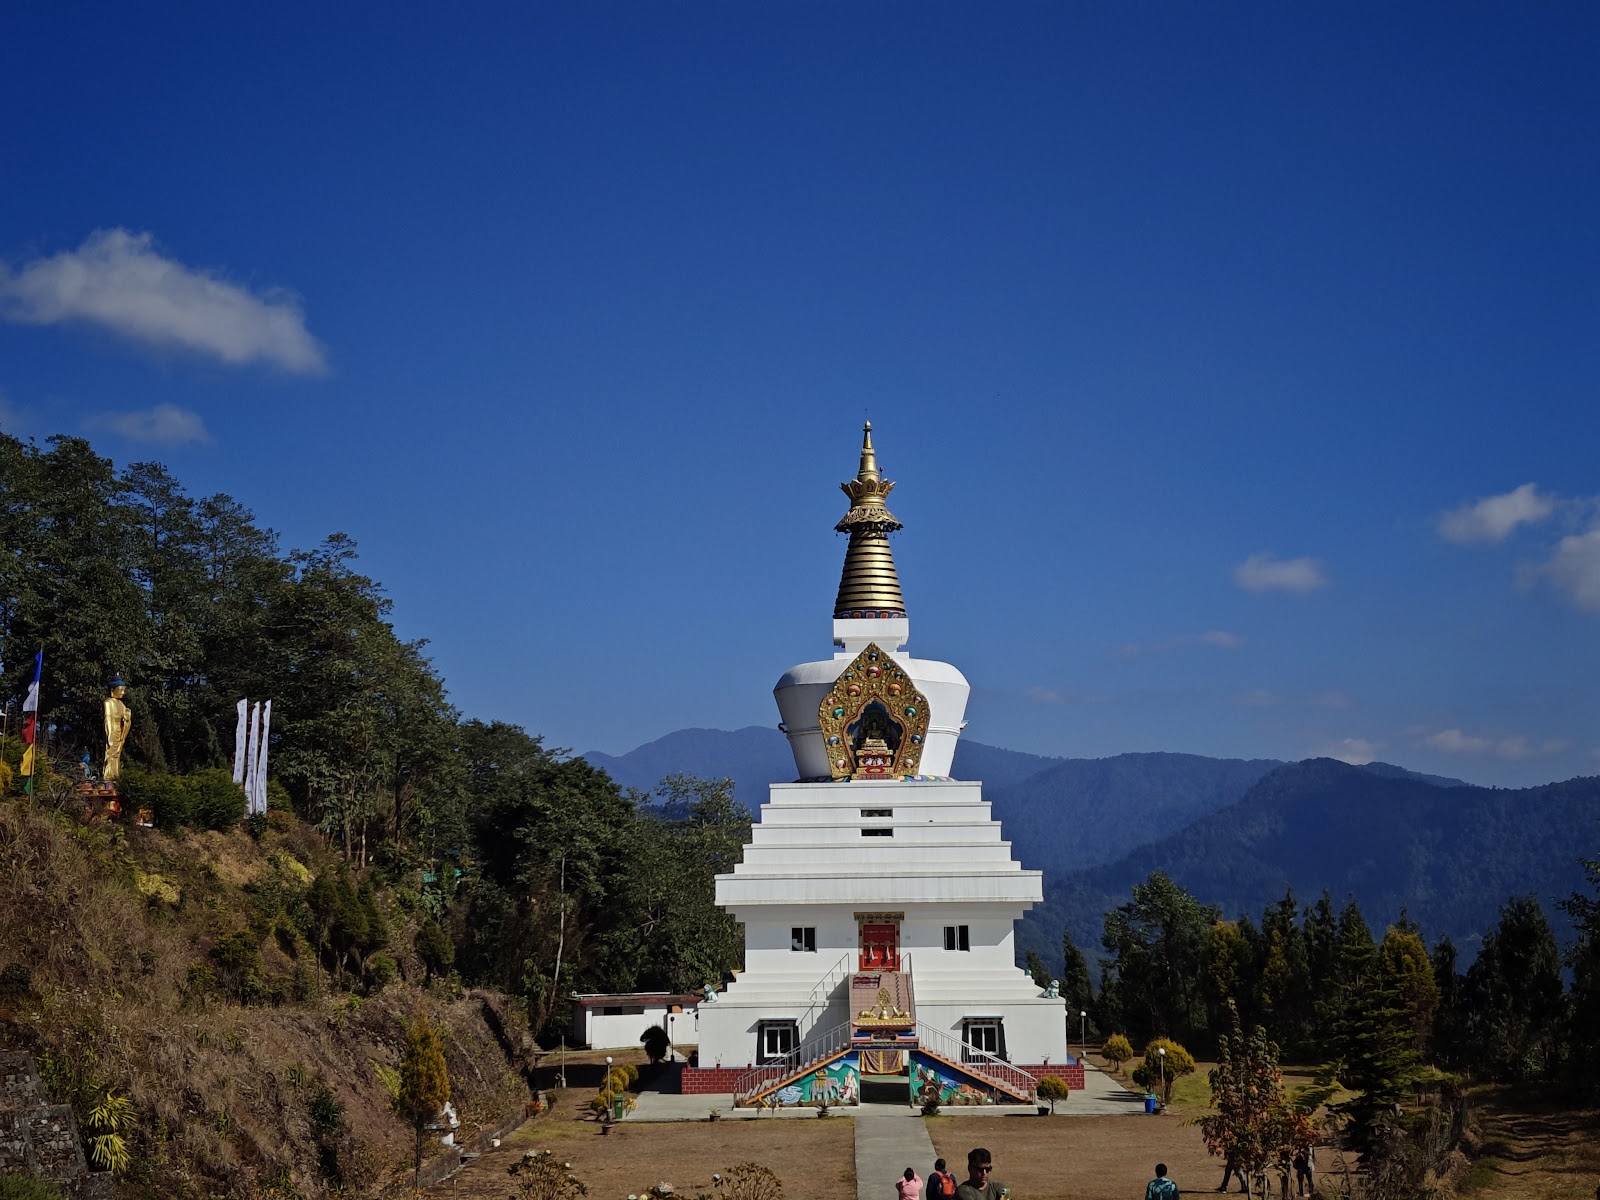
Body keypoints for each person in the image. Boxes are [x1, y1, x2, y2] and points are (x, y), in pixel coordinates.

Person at [103, 675, 131, 783]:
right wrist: (109, 733)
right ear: (112, 690)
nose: (123, 693)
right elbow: (108, 719)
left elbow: (126, 722)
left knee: (117, 754)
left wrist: (127, 719)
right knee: (109, 753)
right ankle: (108, 775)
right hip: (112, 729)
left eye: (124, 690)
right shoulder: (108, 702)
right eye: (120, 690)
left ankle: (115, 774)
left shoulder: (122, 705)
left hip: (120, 730)